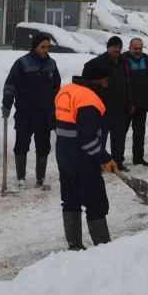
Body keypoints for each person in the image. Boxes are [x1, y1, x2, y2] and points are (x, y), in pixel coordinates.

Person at [55, 56, 118, 250]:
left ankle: (74, 246)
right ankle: (103, 248)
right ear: (98, 80)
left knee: (70, 200)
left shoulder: (65, 91)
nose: (107, 85)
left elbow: (55, 123)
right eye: (106, 80)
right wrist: (104, 158)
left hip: (64, 157)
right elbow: (87, 138)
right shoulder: (89, 100)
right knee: (96, 203)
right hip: (85, 162)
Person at [2, 31, 61, 189]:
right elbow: (10, 85)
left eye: (48, 47)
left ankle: (40, 179)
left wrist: (57, 106)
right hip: (25, 113)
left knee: (43, 146)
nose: (45, 50)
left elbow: (56, 87)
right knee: (22, 145)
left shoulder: (51, 64)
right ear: (35, 46)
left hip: (44, 114)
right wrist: (7, 104)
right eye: (42, 47)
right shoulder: (22, 63)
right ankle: (21, 178)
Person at [94, 36, 133, 171]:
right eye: (114, 46)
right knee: (102, 137)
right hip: (104, 107)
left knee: (119, 136)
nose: (117, 49)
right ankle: (101, 163)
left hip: (121, 107)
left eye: (119, 47)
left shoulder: (124, 62)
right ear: (108, 47)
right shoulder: (100, 62)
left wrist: (130, 102)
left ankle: (118, 161)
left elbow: (129, 83)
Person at [122, 38, 148, 166]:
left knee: (139, 133)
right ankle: (118, 160)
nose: (138, 51)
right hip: (125, 105)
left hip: (142, 104)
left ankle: (138, 159)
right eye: (135, 48)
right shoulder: (122, 61)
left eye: (140, 48)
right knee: (121, 133)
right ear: (130, 47)